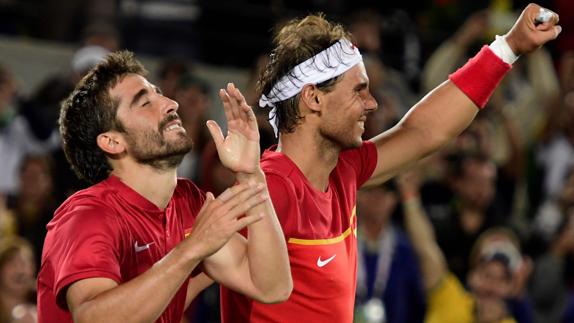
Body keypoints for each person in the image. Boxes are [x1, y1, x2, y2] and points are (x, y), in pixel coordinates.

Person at [220, 3, 560, 322]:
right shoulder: (270, 189)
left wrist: (509, 47)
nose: (371, 104)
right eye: (358, 91)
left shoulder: (343, 171)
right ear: (314, 98)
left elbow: (424, 131)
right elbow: (187, 262)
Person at [36, 51, 292, 322]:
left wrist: (250, 174)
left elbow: (272, 286)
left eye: (160, 94)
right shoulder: (87, 215)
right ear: (112, 142)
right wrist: (192, 249)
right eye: (145, 102)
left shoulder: (187, 201)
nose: (171, 103)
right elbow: (93, 317)